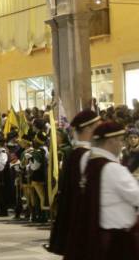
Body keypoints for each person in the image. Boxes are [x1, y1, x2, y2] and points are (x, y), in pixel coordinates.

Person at [67, 121, 139, 258]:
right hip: (118, 239)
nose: (122, 144)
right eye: (120, 140)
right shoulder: (113, 168)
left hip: (98, 233)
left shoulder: (89, 162)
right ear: (110, 141)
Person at [47, 109, 100, 254]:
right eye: (97, 126)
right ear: (88, 128)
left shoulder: (75, 153)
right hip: (84, 220)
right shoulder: (85, 155)